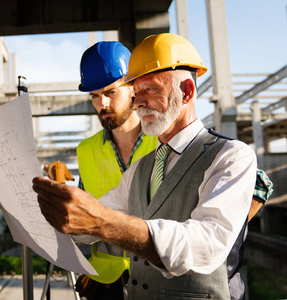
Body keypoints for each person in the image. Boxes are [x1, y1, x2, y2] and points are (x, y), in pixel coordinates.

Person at [32, 33, 261, 299]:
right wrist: (30, 203)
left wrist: (102, 222)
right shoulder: (142, 168)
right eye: (137, 91)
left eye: (150, 89)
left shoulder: (231, 156)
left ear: (186, 91)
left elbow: (207, 244)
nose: (138, 101)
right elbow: (87, 220)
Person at [75, 41, 158, 299]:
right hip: (105, 284)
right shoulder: (85, 151)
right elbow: (80, 212)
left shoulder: (166, 139)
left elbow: (256, 183)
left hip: (159, 280)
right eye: (94, 96)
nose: (102, 103)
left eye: (111, 92)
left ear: (133, 87)